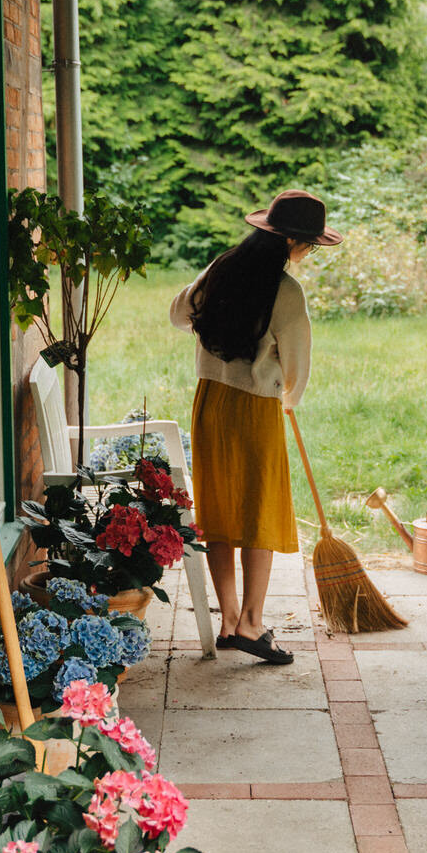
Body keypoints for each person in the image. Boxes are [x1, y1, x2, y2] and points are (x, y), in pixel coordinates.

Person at [170, 190, 342, 665]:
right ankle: (250, 622)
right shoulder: (286, 291)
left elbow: (178, 313)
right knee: (259, 512)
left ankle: (227, 623)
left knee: (221, 510)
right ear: (290, 239)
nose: (308, 254)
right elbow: (298, 364)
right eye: (309, 246)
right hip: (255, 410)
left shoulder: (221, 268)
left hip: (210, 405)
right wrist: (289, 396)